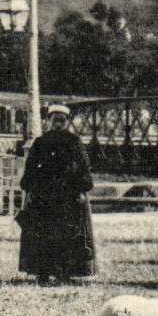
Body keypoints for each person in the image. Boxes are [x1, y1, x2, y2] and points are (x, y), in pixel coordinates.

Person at [18, 104, 98, 285]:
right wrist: (29, 189)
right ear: (48, 121)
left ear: (67, 122)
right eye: (55, 121)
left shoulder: (74, 142)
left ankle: (65, 272)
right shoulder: (40, 142)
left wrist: (81, 189)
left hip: (67, 195)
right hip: (44, 195)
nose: (58, 124)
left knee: (67, 234)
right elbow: (31, 168)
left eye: (62, 121)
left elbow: (83, 168)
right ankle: (43, 272)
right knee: (43, 234)